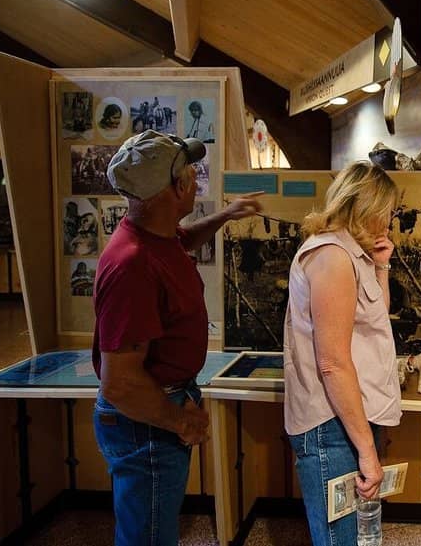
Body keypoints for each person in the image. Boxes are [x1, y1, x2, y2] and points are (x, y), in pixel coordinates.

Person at [92, 130, 263, 546]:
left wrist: (224, 215)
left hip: (160, 405)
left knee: (153, 526)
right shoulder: (132, 264)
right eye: (188, 170)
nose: (194, 175)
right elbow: (120, 383)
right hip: (147, 419)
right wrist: (178, 420)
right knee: (148, 536)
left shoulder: (157, 235)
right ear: (175, 188)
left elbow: (183, 239)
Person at [283, 161, 402, 546]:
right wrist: (367, 450)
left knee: (357, 535)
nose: (389, 220)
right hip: (330, 424)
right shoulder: (332, 256)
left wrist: (382, 266)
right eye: (385, 211)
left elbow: (374, 316)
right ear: (362, 206)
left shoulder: (353, 253)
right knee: (342, 540)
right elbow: (332, 363)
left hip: (348, 416)